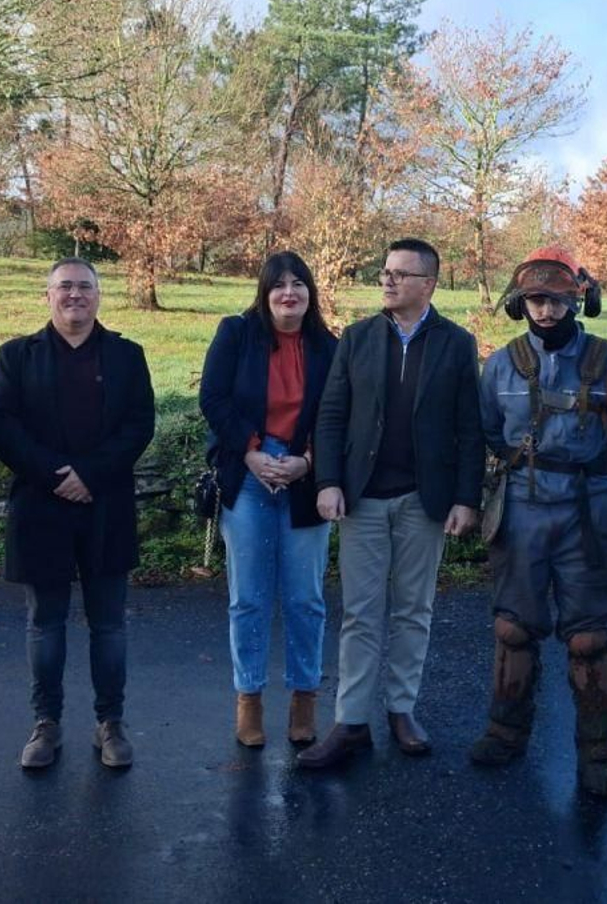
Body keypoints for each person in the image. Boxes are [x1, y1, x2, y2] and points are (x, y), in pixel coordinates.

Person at [296, 238, 483, 770]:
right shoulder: (357, 338)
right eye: (385, 271)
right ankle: (351, 720)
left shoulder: (456, 343)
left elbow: (470, 428)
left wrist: (466, 497)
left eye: (401, 274)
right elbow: (331, 415)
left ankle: (402, 710)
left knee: (413, 610)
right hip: (363, 498)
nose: (387, 280)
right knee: (360, 612)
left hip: (425, 499)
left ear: (429, 284)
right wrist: (327, 481)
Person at [469, 247, 607, 798]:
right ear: (519, 304)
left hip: (588, 513)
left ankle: (599, 754)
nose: (545, 310)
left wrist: (592, 480)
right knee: (513, 628)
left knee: (589, 637)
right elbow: (489, 432)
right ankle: (505, 734)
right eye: (535, 300)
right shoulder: (500, 366)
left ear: (578, 301)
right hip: (521, 510)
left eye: (556, 300)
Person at [0, 258, 155, 772]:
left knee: (109, 625)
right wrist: (56, 475)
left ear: (98, 295)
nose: (75, 295)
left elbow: (139, 424)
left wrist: (91, 475)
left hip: (106, 506)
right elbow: (1, 425)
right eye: (65, 287)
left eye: (85, 287)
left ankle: (111, 724)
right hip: (41, 505)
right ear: (48, 295)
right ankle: (46, 724)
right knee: (45, 623)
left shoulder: (127, 355)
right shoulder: (16, 356)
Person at [199, 251, 338, 748]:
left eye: (298, 283)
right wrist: (252, 451)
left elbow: (337, 413)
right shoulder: (236, 335)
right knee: (249, 598)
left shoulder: (328, 347)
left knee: (305, 599)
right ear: (264, 291)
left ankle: (304, 698)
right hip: (248, 473)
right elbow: (213, 399)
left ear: (310, 292)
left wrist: (309, 461)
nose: (288, 292)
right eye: (278, 284)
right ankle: (249, 699)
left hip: (305, 476)